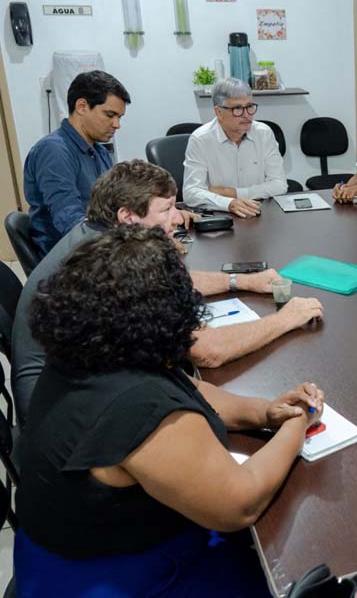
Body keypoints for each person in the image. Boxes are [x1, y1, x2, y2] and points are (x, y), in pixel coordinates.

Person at [13, 225, 322, 596]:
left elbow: (193, 390)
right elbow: (239, 503)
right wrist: (297, 426)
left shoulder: (90, 351)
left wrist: (266, 412)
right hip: (113, 578)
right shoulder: (138, 408)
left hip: (66, 550)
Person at [11, 159, 323, 424]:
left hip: (74, 385)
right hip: (64, 413)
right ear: (127, 216)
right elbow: (207, 351)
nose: (177, 218)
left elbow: (177, 280)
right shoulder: (109, 267)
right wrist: (286, 319)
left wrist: (241, 281)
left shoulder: (100, 238)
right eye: (167, 209)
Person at [23, 70, 131, 253]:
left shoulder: (99, 151)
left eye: (119, 118)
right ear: (82, 106)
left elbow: (119, 201)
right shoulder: (53, 151)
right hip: (70, 260)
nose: (116, 125)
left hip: (97, 246)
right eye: (110, 115)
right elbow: (70, 223)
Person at [182, 77, 286, 217]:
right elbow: (191, 192)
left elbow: (280, 184)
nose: (246, 115)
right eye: (237, 109)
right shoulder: (200, 139)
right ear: (219, 112)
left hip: (259, 212)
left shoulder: (264, 133)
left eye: (249, 106)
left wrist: (231, 193)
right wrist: (229, 203)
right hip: (219, 215)